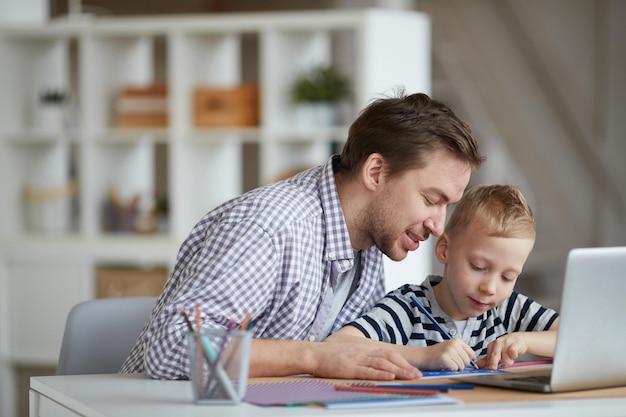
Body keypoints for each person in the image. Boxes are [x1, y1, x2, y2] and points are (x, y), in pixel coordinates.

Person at [120, 91, 484, 380]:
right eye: (431, 200)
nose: (438, 224)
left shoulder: (370, 239)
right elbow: (172, 349)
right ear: (376, 172)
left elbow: (351, 352)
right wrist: (315, 356)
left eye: (447, 206)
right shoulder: (269, 226)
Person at [326, 184, 560, 371]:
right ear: (445, 250)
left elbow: (578, 339)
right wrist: (424, 356)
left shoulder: (507, 308)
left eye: (508, 277)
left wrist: (525, 341)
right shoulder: (410, 306)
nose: (490, 288)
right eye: (478, 267)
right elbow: (337, 345)